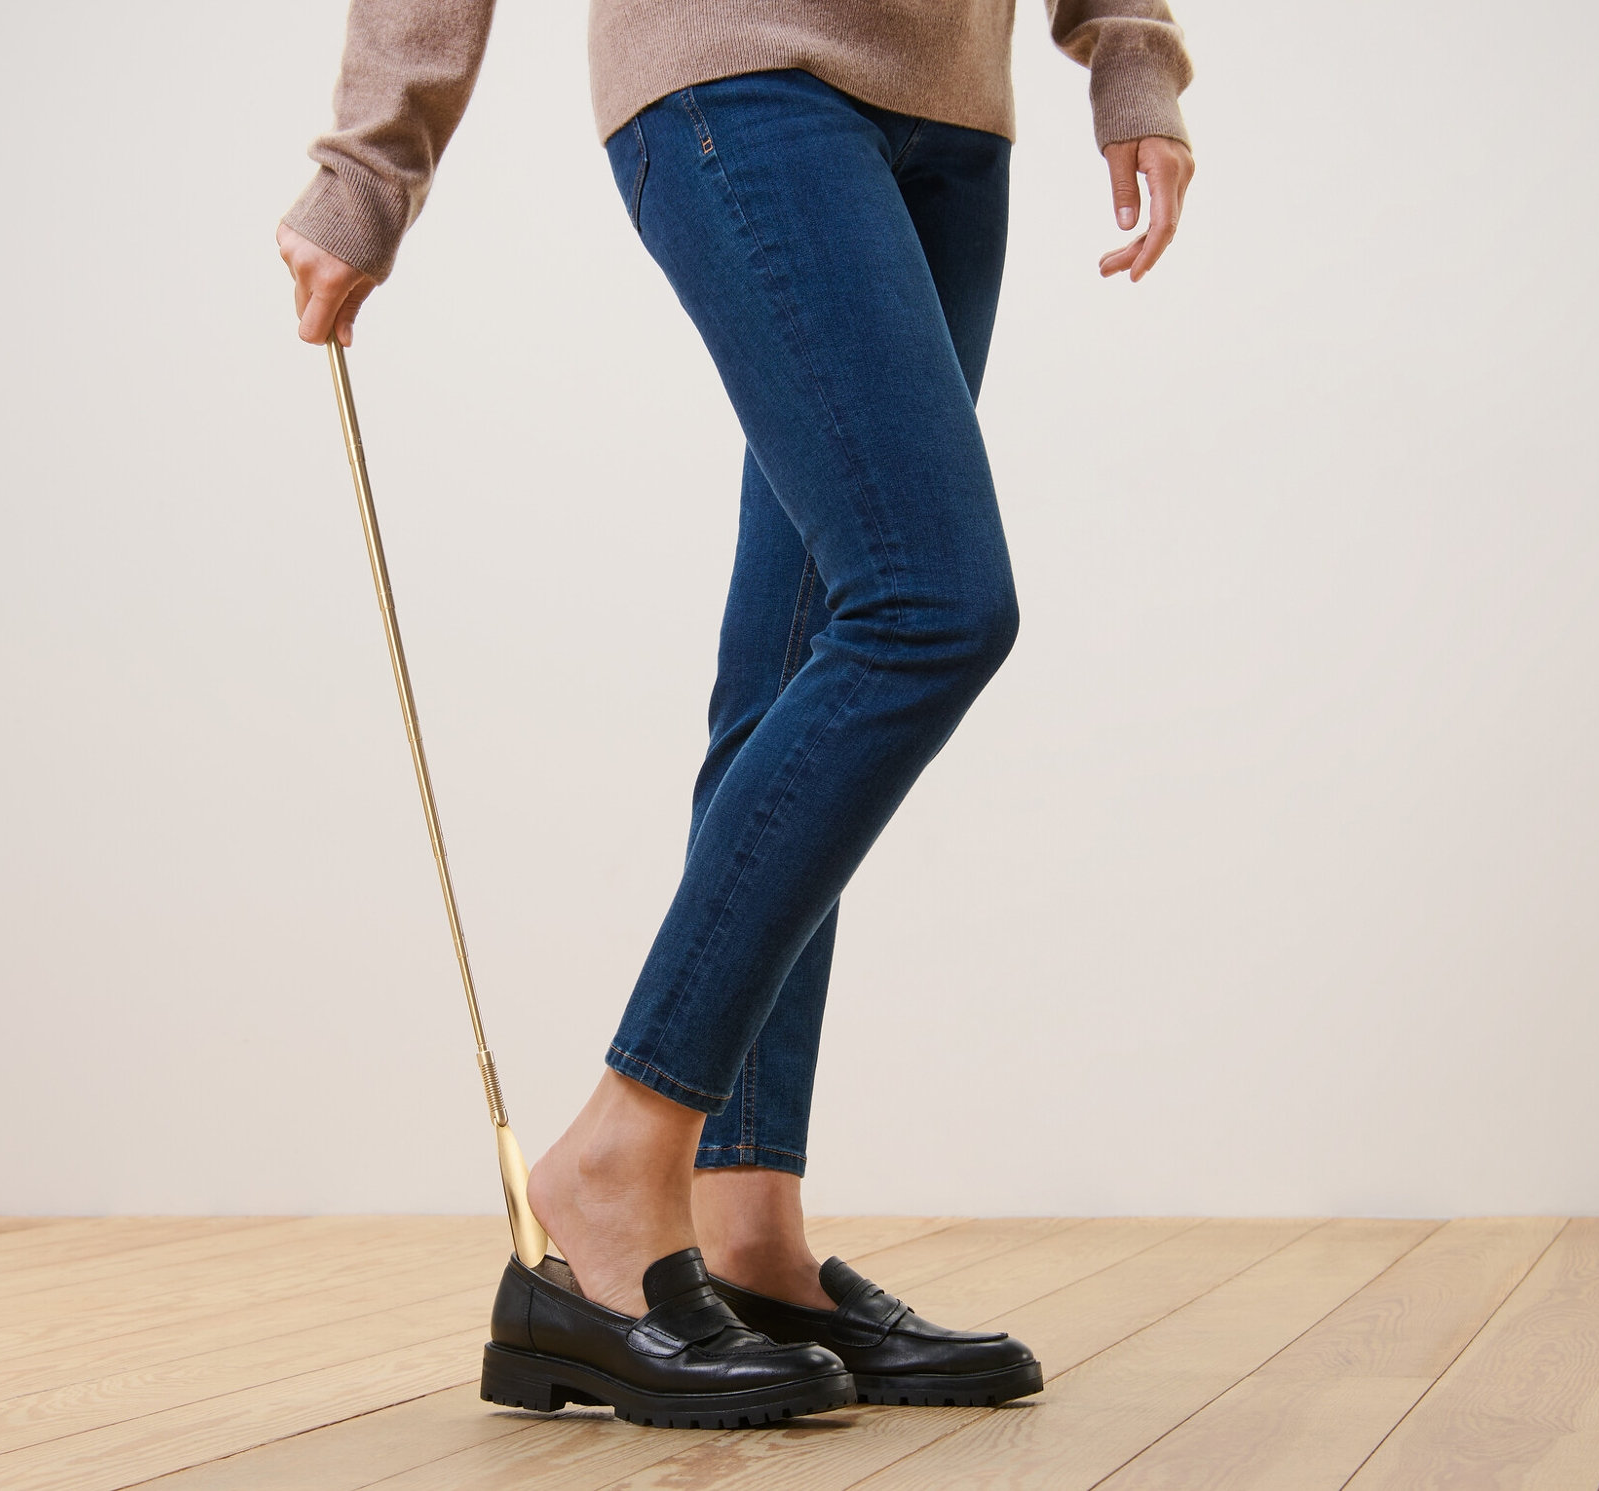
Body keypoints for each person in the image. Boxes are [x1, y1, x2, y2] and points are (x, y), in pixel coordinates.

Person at [280, 0, 1195, 1429]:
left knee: (804, 661)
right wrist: (369, 163)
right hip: (739, 68)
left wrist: (1126, 47)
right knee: (928, 606)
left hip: (957, 106)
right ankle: (615, 1154)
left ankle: (747, 1225)